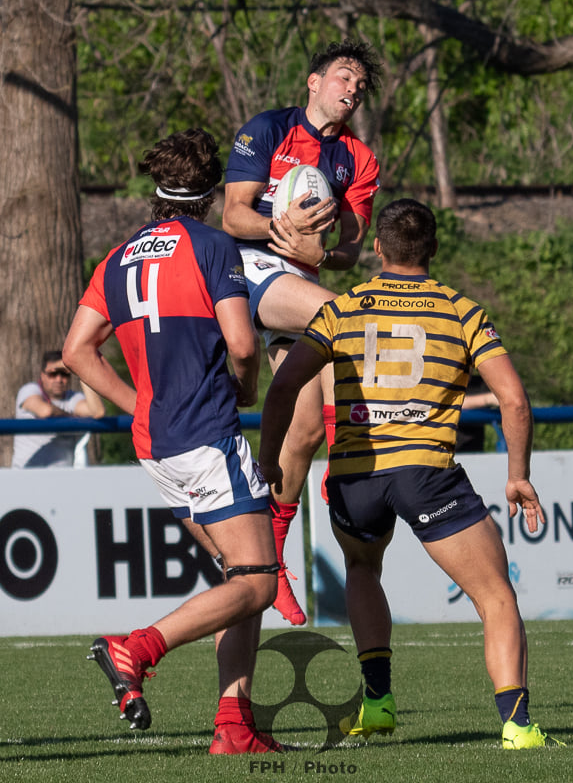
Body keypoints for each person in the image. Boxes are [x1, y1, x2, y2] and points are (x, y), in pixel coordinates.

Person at [258, 198, 565, 750]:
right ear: (434, 249)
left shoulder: (341, 309)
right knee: (495, 596)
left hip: (355, 477)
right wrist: (518, 474)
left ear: (377, 248)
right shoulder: (461, 311)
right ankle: (517, 726)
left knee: (362, 569)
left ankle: (377, 702)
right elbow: (514, 400)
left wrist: (268, 458)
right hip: (425, 473)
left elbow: (283, 387)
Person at [62, 128, 283, 755]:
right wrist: (247, 388)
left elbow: (76, 351)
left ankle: (234, 728)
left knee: (239, 579)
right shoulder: (213, 245)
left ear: (157, 190)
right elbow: (242, 344)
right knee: (259, 582)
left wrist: (139, 404)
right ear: (211, 192)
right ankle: (135, 648)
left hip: (156, 445)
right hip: (207, 434)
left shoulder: (117, 258)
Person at [223, 38, 381, 625]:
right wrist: (281, 229)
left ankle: (271, 558)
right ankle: (347, 469)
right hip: (249, 267)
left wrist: (322, 253)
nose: (352, 89)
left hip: (300, 279)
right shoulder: (268, 128)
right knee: (341, 317)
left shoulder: (358, 160)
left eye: (360, 85)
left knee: (307, 424)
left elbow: (350, 251)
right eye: (343, 77)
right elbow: (232, 214)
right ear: (314, 82)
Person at [11, 350, 105, 468]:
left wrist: (82, 373)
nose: (59, 379)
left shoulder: (73, 398)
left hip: (63, 476)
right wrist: (73, 418)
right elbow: (45, 411)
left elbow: (97, 411)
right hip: (25, 474)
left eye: (64, 374)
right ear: (42, 375)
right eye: (53, 374)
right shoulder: (30, 390)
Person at [456, 371, 500, 453]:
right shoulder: (441, 382)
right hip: (443, 450)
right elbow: (445, 403)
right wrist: (488, 399)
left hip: (474, 450)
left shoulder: (483, 383)